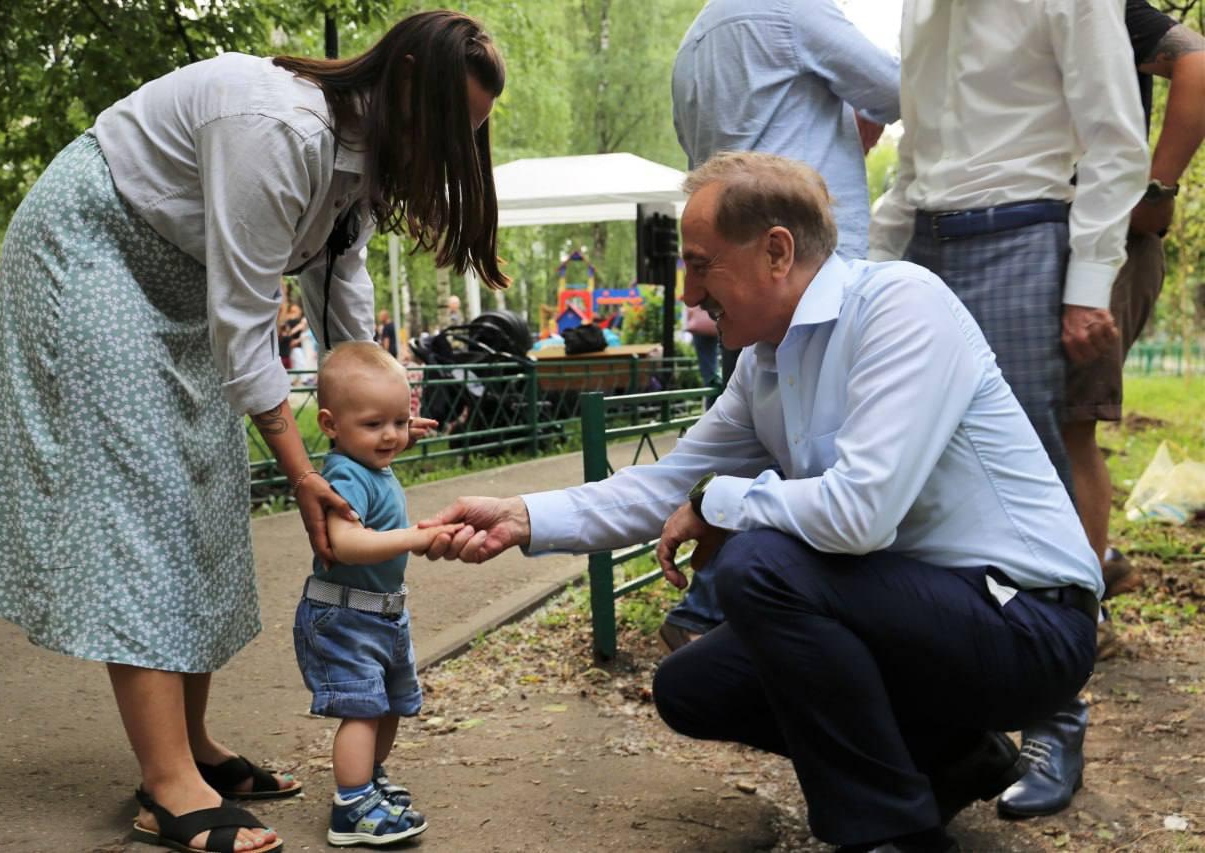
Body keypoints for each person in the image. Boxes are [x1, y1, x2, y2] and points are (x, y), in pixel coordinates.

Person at [420, 152, 1101, 852]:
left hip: (1027, 620)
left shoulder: (901, 304)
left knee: (760, 564)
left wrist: (721, 500)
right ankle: (954, 756)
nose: (688, 294)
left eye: (701, 263)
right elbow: (665, 484)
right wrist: (522, 516)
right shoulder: (764, 365)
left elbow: (860, 514)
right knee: (694, 684)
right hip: (919, 616)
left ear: (776, 251)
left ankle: (890, 834)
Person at [0, 11, 508, 853]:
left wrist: (380, 404)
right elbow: (246, 319)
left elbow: (342, 286)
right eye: (448, 128)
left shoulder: (362, 157)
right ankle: (166, 784)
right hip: (94, 246)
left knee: (205, 496)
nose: (450, 153)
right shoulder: (280, 129)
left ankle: (195, 746)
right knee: (146, 507)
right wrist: (303, 472)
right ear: (404, 81)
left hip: (180, 273)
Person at [868, 0, 1151, 825]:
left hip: (1026, 232)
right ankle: (954, 728)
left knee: (1027, 481)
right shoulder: (920, 9)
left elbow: (1113, 137)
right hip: (927, 240)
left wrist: (1087, 281)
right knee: (919, 482)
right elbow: (912, 156)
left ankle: (1057, 715)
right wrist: (873, 271)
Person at [999, 5, 1205, 820]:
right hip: (1062, 234)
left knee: (1070, 425)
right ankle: (1090, 572)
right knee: (1045, 423)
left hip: (1109, 241)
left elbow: (1196, 63)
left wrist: (1156, 186)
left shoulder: (1113, 9)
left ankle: (1074, 620)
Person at [663, 0, 900, 648]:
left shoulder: (692, 47)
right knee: (814, 453)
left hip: (749, 283)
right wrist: (858, 124)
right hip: (809, 270)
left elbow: (704, 168)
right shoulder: (792, 12)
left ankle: (711, 605)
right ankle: (741, 608)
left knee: (772, 443)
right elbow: (896, 87)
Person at [294, 342, 458, 847]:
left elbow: (382, 438)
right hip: (342, 619)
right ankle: (351, 807)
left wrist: (398, 434)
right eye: (373, 424)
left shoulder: (370, 460)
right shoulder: (345, 474)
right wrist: (417, 536)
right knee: (362, 708)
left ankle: (368, 782)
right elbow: (344, 543)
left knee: (388, 704)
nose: (390, 435)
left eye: (399, 421)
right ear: (330, 425)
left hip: (381, 616)